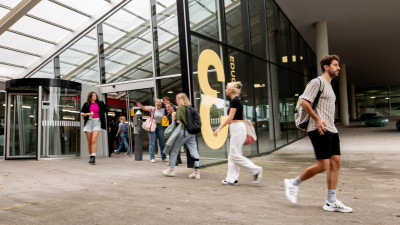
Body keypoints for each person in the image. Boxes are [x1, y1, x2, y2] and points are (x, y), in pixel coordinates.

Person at [284, 55, 353, 213]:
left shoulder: (330, 86)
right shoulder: (317, 82)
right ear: (326, 67)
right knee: (324, 165)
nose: (339, 68)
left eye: (338, 65)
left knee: (336, 163)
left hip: (332, 129)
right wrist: (317, 119)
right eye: (336, 65)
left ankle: (331, 201)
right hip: (318, 128)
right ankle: (293, 183)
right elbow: (304, 102)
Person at [214, 82, 263, 185]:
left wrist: (219, 128)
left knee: (235, 155)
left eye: (226, 88)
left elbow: (230, 117)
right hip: (237, 128)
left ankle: (256, 170)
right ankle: (232, 179)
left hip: (237, 128)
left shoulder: (235, 101)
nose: (225, 90)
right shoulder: (236, 101)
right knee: (232, 155)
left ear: (231, 90)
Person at [162, 93, 200, 178]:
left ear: (180, 100)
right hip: (192, 133)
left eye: (177, 99)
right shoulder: (191, 108)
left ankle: (171, 170)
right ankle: (197, 172)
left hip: (184, 132)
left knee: (174, 149)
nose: (176, 100)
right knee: (194, 152)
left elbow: (178, 121)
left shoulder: (180, 108)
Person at [81, 91, 107, 164]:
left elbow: (106, 109)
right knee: (89, 142)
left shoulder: (100, 103)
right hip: (88, 123)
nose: (95, 97)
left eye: (95, 95)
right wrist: (88, 114)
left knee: (93, 140)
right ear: (90, 97)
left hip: (97, 122)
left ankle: (93, 157)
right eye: (93, 96)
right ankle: (90, 156)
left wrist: (101, 112)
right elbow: (82, 114)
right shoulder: (86, 104)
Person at [164, 101, 182, 165]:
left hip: (175, 132)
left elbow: (173, 125)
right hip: (177, 131)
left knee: (171, 146)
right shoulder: (173, 113)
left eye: (169, 107)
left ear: (172, 107)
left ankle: (173, 161)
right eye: (166, 107)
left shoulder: (173, 113)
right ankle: (178, 160)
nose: (167, 108)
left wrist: (171, 134)